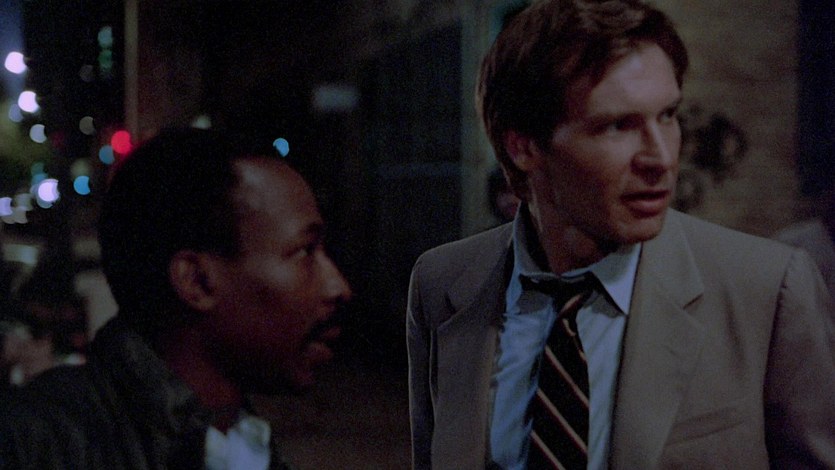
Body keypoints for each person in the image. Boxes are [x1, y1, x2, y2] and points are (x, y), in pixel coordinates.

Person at [406, 1, 835, 469]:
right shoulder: (443, 284)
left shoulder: (767, 290)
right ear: (523, 147)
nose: (661, 158)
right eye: (617, 126)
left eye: (667, 116)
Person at [0, 128, 352, 469]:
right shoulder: (36, 444)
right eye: (305, 251)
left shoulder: (243, 444)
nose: (338, 288)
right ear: (196, 281)